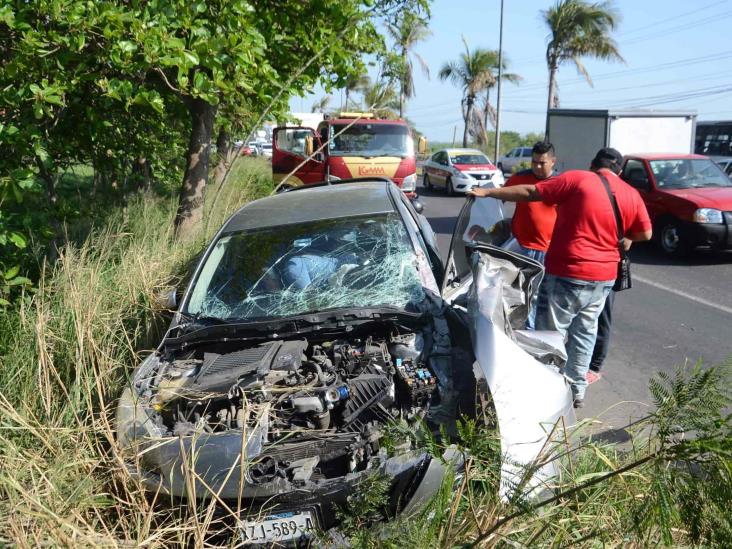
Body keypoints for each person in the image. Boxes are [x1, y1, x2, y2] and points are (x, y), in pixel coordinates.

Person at [469, 147, 652, 408]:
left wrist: (488, 192)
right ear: (619, 171)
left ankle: (548, 389)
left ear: (592, 164)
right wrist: (627, 237)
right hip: (604, 278)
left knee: (551, 333)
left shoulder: (578, 179)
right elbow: (645, 233)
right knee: (585, 332)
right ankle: (577, 390)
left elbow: (532, 192)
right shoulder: (630, 193)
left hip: (569, 272)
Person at [503, 141, 558, 328]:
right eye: (534, 162)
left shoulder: (560, 184)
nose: (537, 166)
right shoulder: (519, 179)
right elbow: (500, 197)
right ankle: (525, 332)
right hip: (520, 247)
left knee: (543, 297)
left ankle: (537, 335)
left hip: (549, 250)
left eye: (542, 163)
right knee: (519, 295)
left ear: (553, 162)